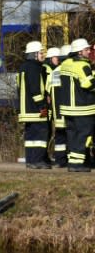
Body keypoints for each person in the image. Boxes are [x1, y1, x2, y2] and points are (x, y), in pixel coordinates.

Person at [59, 38, 95, 172]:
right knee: (83, 135)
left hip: (68, 108)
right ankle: (77, 164)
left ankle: (73, 162)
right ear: (80, 52)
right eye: (86, 50)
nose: (88, 52)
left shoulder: (65, 64)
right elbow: (88, 84)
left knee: (72, 134)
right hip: (82, 108)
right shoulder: (82, 65)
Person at [17, 41, 50, 169]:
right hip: (35, 109)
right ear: (34, 54)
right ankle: (37, 160)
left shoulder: (23, 67)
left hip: (26, 109)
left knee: (30, 136)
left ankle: (31, 160)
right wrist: (42, 105)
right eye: (41, 53)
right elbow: (35, 89)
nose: (43, 55)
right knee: (41, 133)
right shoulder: (35, 68)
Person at [45, 46, 67, 167]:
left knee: (59, 135)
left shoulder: (54, 72)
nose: (57, 59)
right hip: (66, 111)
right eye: (55, 57)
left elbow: (48, 90)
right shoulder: (51, 70)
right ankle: (63, 159)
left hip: (56, 111)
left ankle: (60, 160)